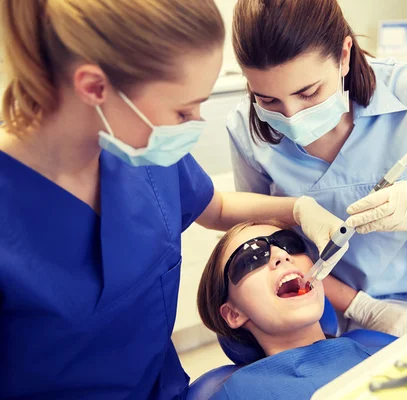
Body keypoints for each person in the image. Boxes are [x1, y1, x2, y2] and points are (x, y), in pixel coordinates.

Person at [0, 1, 347, 399]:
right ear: (94, 87)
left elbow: (213, 208)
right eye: (183, 111)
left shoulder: (140, 150)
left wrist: (296, 210)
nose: (196, 122)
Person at [226, 0, 407, 336]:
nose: (291, 117)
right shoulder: (244, 129)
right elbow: (259, 246)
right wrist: (359, 307)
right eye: (267, 100)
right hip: (314, 307)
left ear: (344, 55)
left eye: (308, 93)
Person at [197, 220, 396, 400]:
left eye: (291, 244)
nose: (282, 255)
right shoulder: (235, 395)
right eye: (253, 256)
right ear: (234, 313)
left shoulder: (380, 350)